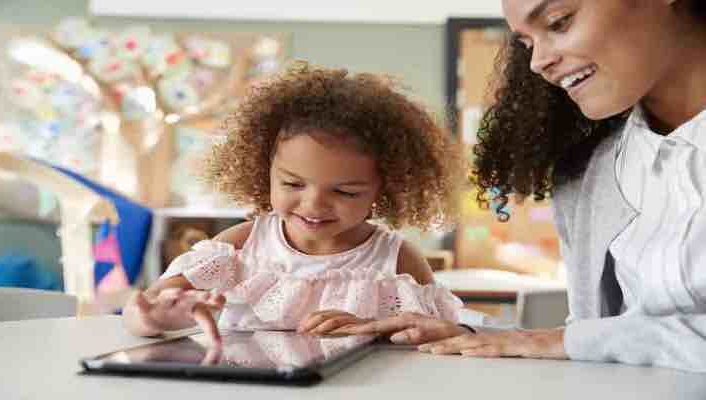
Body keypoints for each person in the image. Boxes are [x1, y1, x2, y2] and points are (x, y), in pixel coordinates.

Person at [335, 0, 706, 372]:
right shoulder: (590, 176)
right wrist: (469, 333)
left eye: (559, 22)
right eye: (527, 44)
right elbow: (595, 343)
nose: (537, 62)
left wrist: (564, 341)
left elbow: (591, 341)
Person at [123, 62, 481, 341]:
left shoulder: (397, 258)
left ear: (385, 189)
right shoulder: (239, 245)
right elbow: (143, 311)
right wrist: (156, 318)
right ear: (265, 171)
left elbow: (436, 338)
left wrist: (373, 328)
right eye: (293, 183)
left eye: (345, 192)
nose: (313, 205)